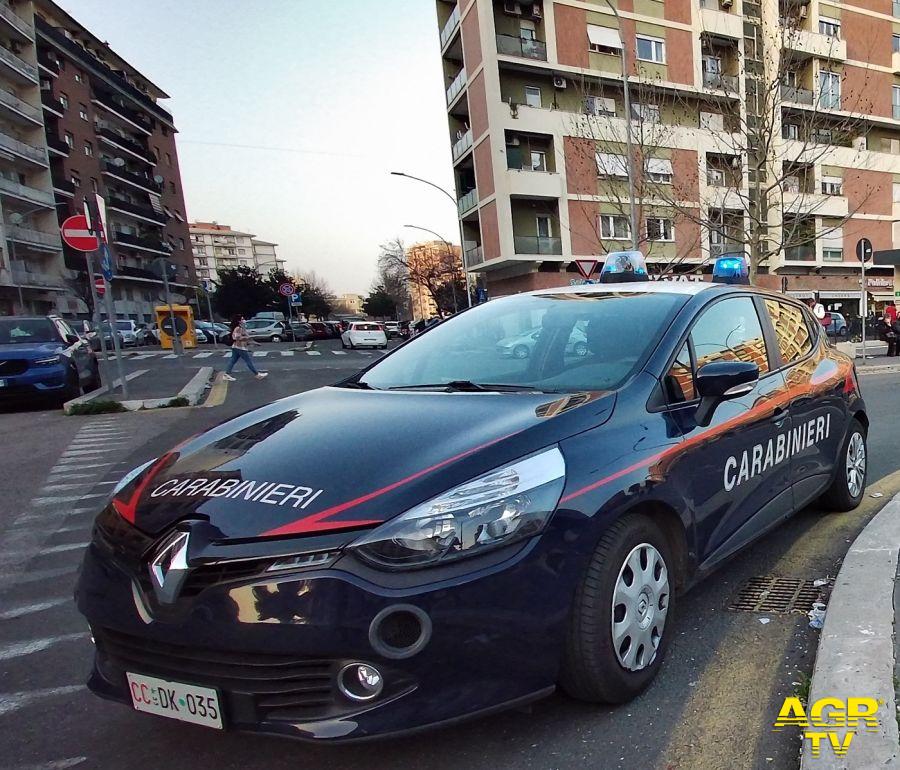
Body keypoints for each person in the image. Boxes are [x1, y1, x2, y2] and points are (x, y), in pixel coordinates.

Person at [223, 315, 268, 381]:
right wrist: (246, 338)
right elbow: (236, 337)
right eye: (242, 319)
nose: (244, 320)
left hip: (237, 347)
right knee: (248, 361)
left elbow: (246, 337)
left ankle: (226, 375)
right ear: (239, 321)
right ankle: (257, 374)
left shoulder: (242, 328)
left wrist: (254, 343)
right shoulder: (238, 328)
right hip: (240, 347)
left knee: (233, 360)